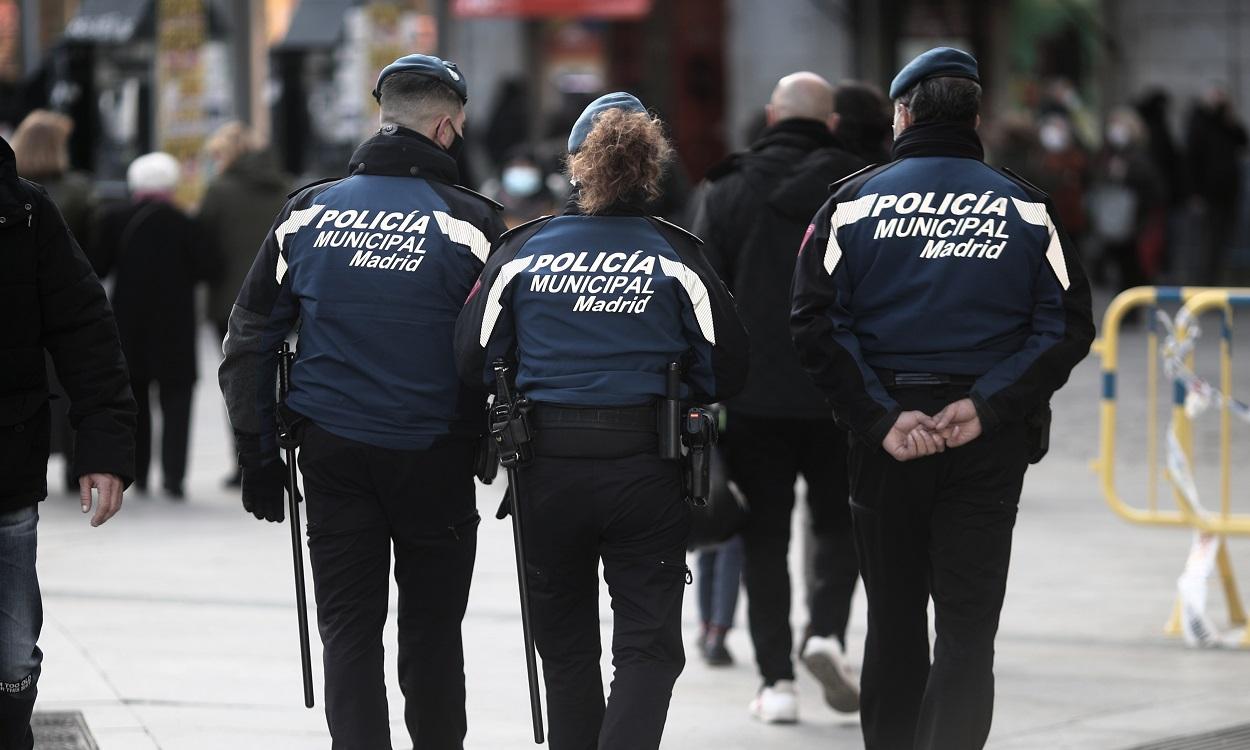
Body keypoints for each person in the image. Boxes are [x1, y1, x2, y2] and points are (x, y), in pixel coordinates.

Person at [790, 48, 1094, 750]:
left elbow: (812, 320)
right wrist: (987, 406)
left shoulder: (853, 202)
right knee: (967, 629)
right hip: (985, 442)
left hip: (888, 438)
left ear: (902, 114)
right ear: (977, 117)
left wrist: (879, 417)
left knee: (892, 623)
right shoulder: (1025, 205)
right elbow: (1069, 323)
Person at [219, 54, 504, 749]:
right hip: (433, 452)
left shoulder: (307, 211)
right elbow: (505, 346)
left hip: (333, 450)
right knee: (433, 632)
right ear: (444, 128)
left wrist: (257, 453)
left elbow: (251, 336)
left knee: (347, 629)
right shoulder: (474, 225)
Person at [454, 92, 748, 750]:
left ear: (575, 164)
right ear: (653, 167)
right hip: (647, 466)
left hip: (545, 467)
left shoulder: (522, 251)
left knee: (564, 652)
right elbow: (728, 368)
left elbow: (473, 358)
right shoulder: (677, 255)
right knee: (648, 651)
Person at [691, 71, 865, 723]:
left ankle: (777, 685)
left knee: (762, 537)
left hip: (753, 398)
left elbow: (703, 297)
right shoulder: (861, 189)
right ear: (833, 124)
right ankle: (825, 632)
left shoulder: (728, 187)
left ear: (771, 116)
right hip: (839, 393)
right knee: (836, 523)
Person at [0, 134, 136, 750]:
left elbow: (85, 328)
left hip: (3, 474)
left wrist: (103, 446)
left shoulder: (23, 210)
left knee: (9, 663)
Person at [94, 152, 213, 499]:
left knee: (135, 400)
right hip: (175, 324)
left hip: (129, 323)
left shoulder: (114, 219)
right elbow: (206, 267)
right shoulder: (186, 223)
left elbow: (97, 266)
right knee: (178, 402)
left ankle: (139, 473)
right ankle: (174, 477)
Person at [198, 121, 292, 487]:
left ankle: (248, 458)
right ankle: (285, 449)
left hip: (230, 301)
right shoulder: (284, 187)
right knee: (280, 376)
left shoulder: (219, 191)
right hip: (283, 300)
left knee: (239, 380)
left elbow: (202, 245)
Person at [9, 109, 98, 493]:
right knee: (67, 380)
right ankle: (71, 464)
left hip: (18, 302)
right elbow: (93, 247)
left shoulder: (13, 188)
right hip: (64, 295)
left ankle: (34, 458)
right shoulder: (77, 189)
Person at [1185, 85, 1248, 285]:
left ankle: (1215, 284)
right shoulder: (1199, 122)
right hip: (1207, 196)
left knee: (1221, 243)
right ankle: (1202, 285)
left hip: (1228, 195)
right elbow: (1192, 160)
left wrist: (1230, 117)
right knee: (1206, 243)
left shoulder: (1226, 124)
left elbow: (1243, 139)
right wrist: (1195, 193)